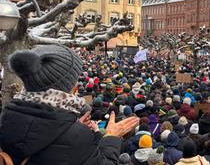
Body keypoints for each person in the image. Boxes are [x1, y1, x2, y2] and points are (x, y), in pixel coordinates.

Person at [0, 45, 139, 165]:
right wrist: (111, 137)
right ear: (67, 85)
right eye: (75, 78)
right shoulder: (77, 136)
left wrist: (68, 127)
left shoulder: (5, 115)